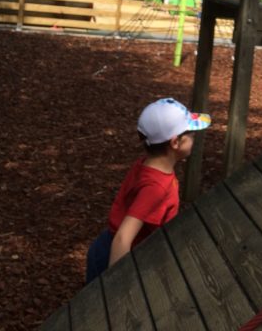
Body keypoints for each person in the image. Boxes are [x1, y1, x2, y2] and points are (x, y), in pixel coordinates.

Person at [85, 98, 211, 283]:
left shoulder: (148, 165)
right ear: (175, 142)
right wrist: (117, 287)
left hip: (116, 248)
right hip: (115, 257)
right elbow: (123, 238)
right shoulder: (156, 188)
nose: (194, 138)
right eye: (191, 133)